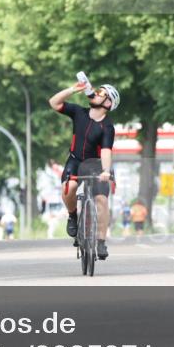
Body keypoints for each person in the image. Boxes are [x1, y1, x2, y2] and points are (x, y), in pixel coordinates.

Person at [50, 78, 119, 260]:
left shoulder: (108, 127)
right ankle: (73, 216)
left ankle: (101, 242)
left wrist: (106, 170)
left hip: (97, 165)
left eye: (101, 93)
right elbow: (54, 102)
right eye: (97, 91)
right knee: (70, 187)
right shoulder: (79, 112)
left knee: (102, 200)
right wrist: (73, 89)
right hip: (75, 161)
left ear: (108, 103)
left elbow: (106, 151)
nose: (96, 93)